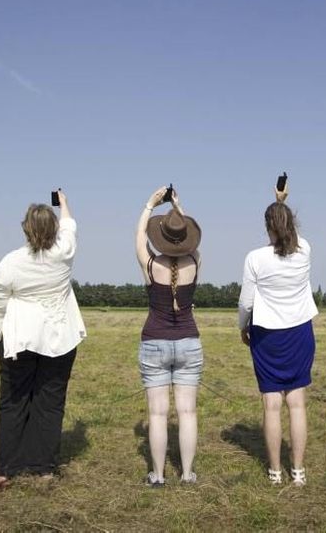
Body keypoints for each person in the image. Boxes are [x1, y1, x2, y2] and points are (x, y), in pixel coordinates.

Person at [0, 190, 86, 490]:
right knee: (50, 403)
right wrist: (64, 202)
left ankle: (6, 469)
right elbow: (70, 226)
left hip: (19, 339)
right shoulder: (64, 252)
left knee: (13, 402)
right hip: (59, 338)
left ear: (25, 229)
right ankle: (44, 469)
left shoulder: (10, 263)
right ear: (53, 230)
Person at [238, 183, 318, 487]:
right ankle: (298, 471)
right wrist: (281, 202)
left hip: (266, 335)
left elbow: (246, 302)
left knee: (271, 403)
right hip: (300, 332)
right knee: (296, 402)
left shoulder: (255, 258)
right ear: (291, 224)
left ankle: (274, 471)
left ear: (266, 227)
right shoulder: (305, 250)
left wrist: (242, 326)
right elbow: (291, 236)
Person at [135, 186, 203, 487]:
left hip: (154, 343)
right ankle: (187, 474)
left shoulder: (150, 265)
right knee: (187, 411)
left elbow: (138, 239)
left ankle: (159, 475)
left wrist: (150, 205)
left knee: (158, 414)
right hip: (189, 342)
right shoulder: (195, 262)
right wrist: (179, 208)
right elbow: (192, 239)